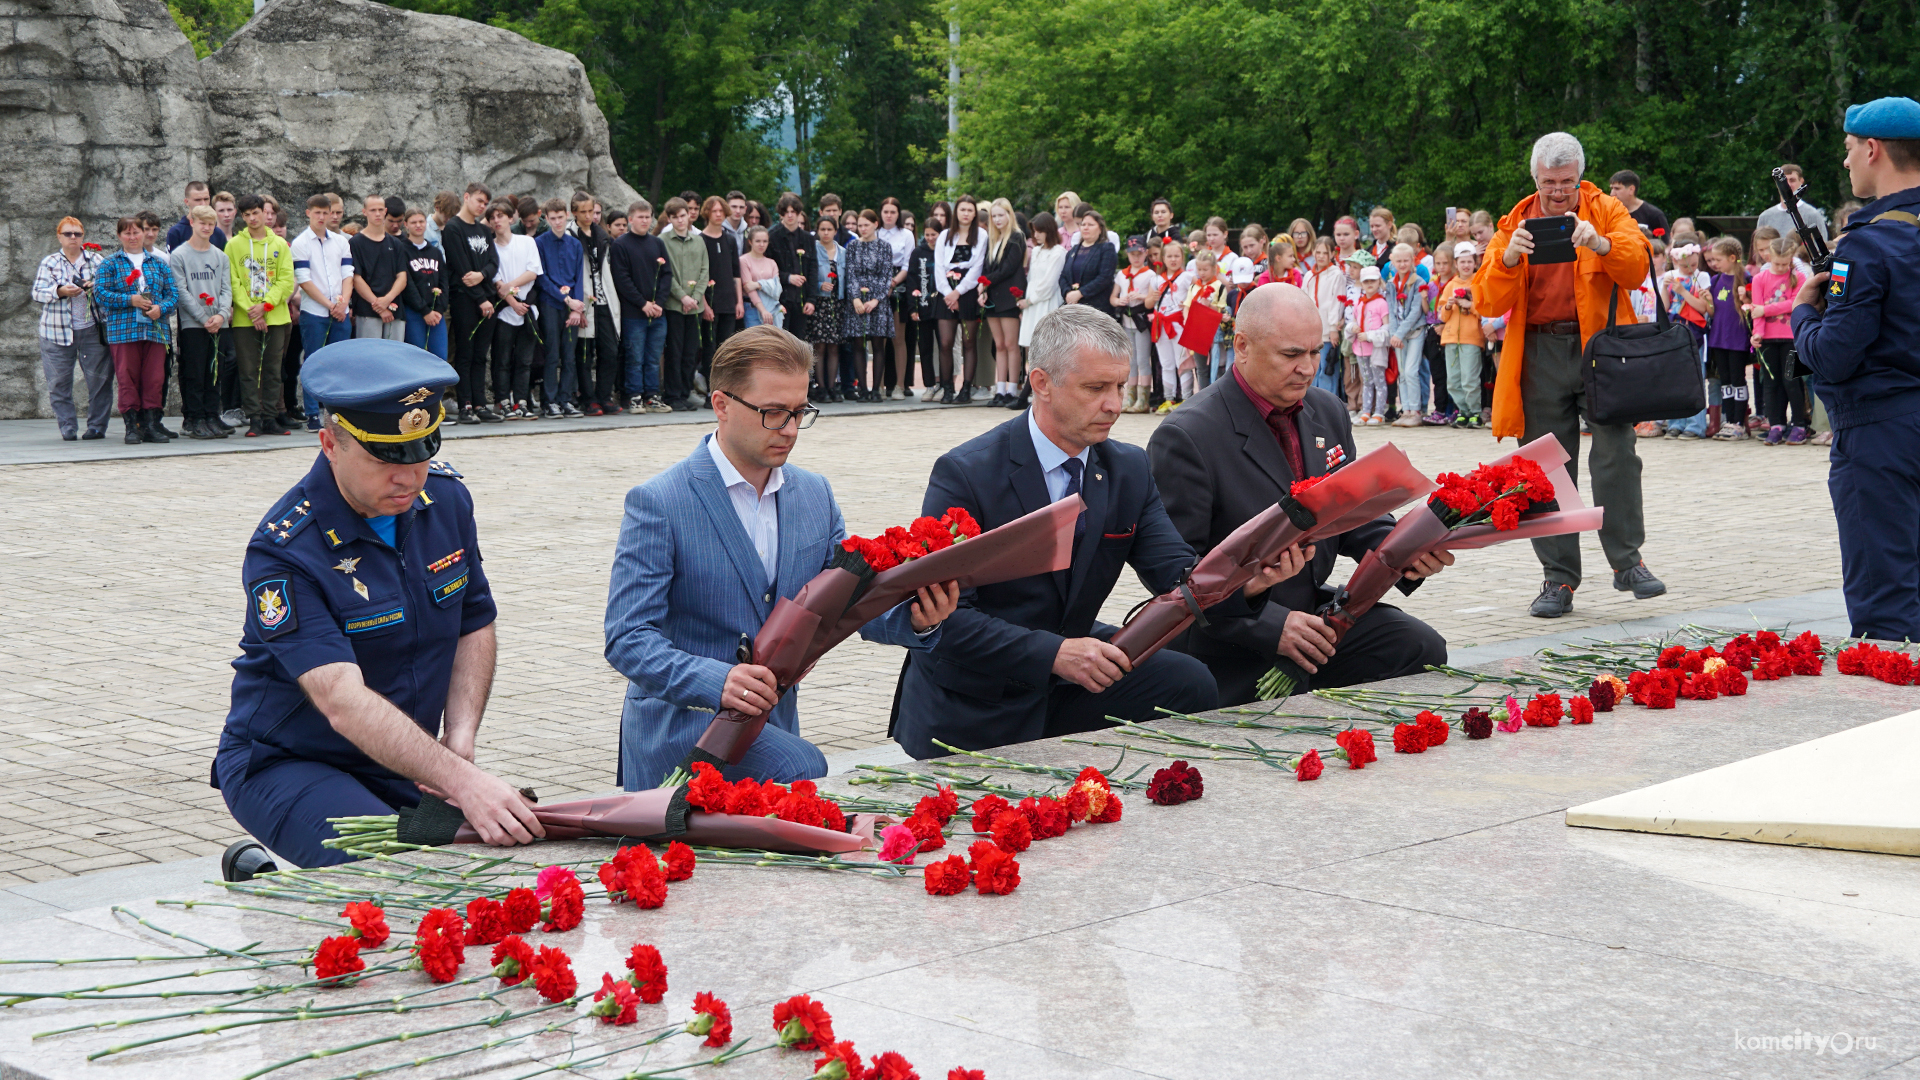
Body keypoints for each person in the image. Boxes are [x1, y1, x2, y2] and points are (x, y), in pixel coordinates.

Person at [889, 305, 1293, 757]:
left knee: (1189, 681)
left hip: (1071, 673)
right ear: (1041, 383)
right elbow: (947, 620)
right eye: (1096, 388)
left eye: (1120, 385)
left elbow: (1178, 574)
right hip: (978, 698)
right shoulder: (966, 473)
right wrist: (1055, 654)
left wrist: (1250, 581)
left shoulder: (1127, 467)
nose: (1116, 405)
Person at [212, 340, 541, 878]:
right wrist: (461, 781)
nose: (409, 478)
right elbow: (340, 700)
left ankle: (266, 885)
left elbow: (474, 620)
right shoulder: (285, 549)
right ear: (329, 444)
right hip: (292, 762)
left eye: (422, 452)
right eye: (386, 459)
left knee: (490, 865)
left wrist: (459, 738)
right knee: (401, 878)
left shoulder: (446, 500)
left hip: (403, 759)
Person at [605, 326, 957, 786]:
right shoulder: (659, 501)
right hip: (681, 727)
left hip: (770, 727)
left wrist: (916, 619)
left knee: (798, 772)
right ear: (721, 404)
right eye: (773, 413)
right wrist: (718, 681)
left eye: (799, 412)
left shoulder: (815, 495)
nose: (790, 429)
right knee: (802, 767)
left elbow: (840, 606)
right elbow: (627, 638)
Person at [1150, 284, 1450, 704]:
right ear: (1242, 346)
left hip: (1312, 614)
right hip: (1230, 634)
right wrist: (1272, 624)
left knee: (1418, 647)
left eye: (1315, 353)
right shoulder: (1186, 435)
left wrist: (1405, 552)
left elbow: (1355, 513)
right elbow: (1176, 577)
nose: (1308, 369)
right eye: (1291, 355)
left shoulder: (1327, 410)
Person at [1475, 131, 1663, 618]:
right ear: (1534, 178)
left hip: (1600, 347)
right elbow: (1486, 301)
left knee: (1617, 453)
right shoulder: (1515, 222)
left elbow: (1637, 268)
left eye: (1567, 181)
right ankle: (1558, 580)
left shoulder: (1607, 210)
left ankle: (1628, 562)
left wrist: (1600, 243)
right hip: (1539, 350)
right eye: (1548, 182)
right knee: (1544, 467)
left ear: (1580, 175)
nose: (1558, 191)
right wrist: (1509, 257)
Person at [1790, 96, 1920, 642]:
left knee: (1887, 605)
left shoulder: (1866, 246)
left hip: (1880, 431)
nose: (1846, 163)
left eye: (1848, 151)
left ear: (1873, 149)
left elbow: (1836, 354)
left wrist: (1802, 312)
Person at [95, 216, 179, 445]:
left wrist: (161, 308)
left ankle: (151, 424)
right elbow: (100, 294)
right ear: (119, 236)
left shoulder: (159, 263)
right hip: (124, 330)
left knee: (154, 378)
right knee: (127, 377)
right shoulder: (110, 264)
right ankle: (133, 425)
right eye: (127, 233)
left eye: (136, 232)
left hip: (154, 329)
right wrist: (129, 300)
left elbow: (173, 295)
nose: (132, 237)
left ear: (144, 233)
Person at [35, 217, 112, 441]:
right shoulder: (50, 262)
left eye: (77, 234)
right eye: (68, 234)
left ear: (83, 236)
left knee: (100, 380)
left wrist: (93, 286)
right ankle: (67, 426)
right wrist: (60, 291)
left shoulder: (97, 260)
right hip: (55, 332)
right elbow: (37, 293)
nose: (73, 238)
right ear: (59, 236)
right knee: (58, 382)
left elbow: (111, 287)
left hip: (92, 329)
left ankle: (97, 426)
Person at [227, 194, 296, 438]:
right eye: (246, 215)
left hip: (275, 316)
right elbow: (233, 281)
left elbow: (286, 280)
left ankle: (270, 417)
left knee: (273, 368)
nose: (252, 219)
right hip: (246, 318)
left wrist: (265, 306)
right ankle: (254, 418)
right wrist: (251, 310)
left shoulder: (279, 244)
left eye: (255, 213)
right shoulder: (234, 245)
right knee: (248, 369)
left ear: (264, 213)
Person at [291, 194, 355, 431]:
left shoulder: (341, 242)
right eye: (316, 212)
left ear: (330, 214)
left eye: (324, 212)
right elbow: (304, 281)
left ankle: (338, 412)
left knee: (339, 362)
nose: (320, 217)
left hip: (340, 310)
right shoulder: (300, 243)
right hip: (315, 311)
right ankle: (312, 413)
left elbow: (348, 274)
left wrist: (343, 303)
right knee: (314, 361)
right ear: (308, 213)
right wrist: (330, 306)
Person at [170, 205, 232, 440]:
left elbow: (227, 289)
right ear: (192, 222)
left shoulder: (220, 255)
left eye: (211, 224)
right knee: (195, 372)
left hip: (218, 323)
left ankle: (211, 415)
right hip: (194, 324)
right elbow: (182, 291)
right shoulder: (179, 255)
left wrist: (222, 314)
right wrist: (203, 317)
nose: (206, 227)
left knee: (215, 372)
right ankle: (194, 418)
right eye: (202, 223)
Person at [443, 184, 501, 424]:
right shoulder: (453, 228)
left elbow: (493, 261)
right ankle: (465, 404)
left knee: (481, 355)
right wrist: (481, 298)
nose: (482, 206)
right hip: (465, 299)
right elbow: (461, 266)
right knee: (465, 354)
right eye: (479, 200)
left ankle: (480, 403)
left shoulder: (484, 230)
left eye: (485, 203)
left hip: (487, 298)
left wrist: (483, 276)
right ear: (466, 197)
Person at [609, 198, 672, 414]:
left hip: (657, 312)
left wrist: (659, 303)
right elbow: (622, 279)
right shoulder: (621, 245)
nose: (645, 221)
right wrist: (642, 303)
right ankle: (634, 396)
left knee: (653, 357)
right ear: (630, 220)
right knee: (634, 356)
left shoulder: (657, 243)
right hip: (633, 312)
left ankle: (652, 395)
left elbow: (666, 275)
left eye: (648, 217)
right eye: (641, 217)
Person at [1747, 236, 1810, 444]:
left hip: (1792, 338)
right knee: (1771, 384)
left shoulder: (1799, 277)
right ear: (1769, 258)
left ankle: (1799, 423)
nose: (1781, 267)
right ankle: (1776, 424)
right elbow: (1756, 311)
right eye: (1777, 263)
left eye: (1785, 263)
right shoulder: (1759, 279)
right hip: (1768, 339)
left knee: (1792, 382)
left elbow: (1794, 303)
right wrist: (1757, 333)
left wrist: (1766, 309)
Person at [488, 199, 543, 419]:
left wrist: (514, 291)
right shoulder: (491, 247)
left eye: (500, 216)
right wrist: (512, 301)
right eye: (492, 217)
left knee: (524, 360)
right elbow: (496, 281)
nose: (496, 220)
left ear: (511, 218)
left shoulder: (527, 242)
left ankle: (521, 401)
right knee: (502, 359)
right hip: (505, 311)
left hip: (527, 307)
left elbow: (533, 272)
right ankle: (503, 401)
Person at [531, 198, 586, 417]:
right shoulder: (540, 243)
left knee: (569, 354)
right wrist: (566, 301)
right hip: (551, 303)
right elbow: (541, 277)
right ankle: (549, 400)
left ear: (567, 216)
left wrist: (576, 308)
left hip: (572, 305)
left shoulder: (575, 244)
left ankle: (566, 398)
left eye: (560, 217)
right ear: (546, 218)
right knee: (552, 353)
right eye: (552, 218)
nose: (557, 222)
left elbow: (580, 277)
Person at [571, 191, 622, 414]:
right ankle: (588, 397)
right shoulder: (571, 236)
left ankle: (604, 395)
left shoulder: (602, 236)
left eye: (591, 211)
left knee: (609, 351)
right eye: (583, 212)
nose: (588, 216)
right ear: (574, 213)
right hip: (583, 300)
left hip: (604, 301)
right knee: (584, 352)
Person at [933, 195, 985, 403]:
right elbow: (938, 266)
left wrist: (959, 292)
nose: (966, 214)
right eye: (962, 210)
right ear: (957, 213)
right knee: (945, 343)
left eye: (970, 210)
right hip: (946, 291)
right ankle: (947, 389)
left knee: (968, 342)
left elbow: (978, 266)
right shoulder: (945, 235)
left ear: (974, 213)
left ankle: (966, 389)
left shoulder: (981, 235)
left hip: (968, 291)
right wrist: (948, 293)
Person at [658, 197, 708, 411]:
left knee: (691, 352)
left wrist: (695, 297)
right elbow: (665, 273)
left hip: (695, 306)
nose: (680, 220)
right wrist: (683, 297)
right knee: (674, 352)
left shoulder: (699, 240)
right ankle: (672, 394)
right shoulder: (663, 241)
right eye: (675, 217)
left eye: (683, 215)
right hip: (675, 305)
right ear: (669, 218)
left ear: (689, 216)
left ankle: (686, 391)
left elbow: (705, 270)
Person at [1703, 236, 1754, 440]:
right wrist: (1708, 302)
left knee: (1737, 379)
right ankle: (1729, 419)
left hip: (1737, 337)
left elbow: (1751, 306)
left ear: (1732, 258)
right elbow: (1715, 313)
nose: (1714, 264)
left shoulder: (1746, 278)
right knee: (1725, 380)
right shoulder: (1716, 280)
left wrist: (1746, 298)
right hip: (1718, 338)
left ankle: (1739, 423)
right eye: (1712, 260)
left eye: (1718, 260)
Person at [842, 208, 896, 401]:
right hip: (856, 301)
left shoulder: (884, 247)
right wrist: (855, 298)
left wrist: (876, 299)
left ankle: (875, 390)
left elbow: (886, 275)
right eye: (860, 225)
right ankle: (862, 389)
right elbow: (850, 274)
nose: (862, 229)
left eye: (866, 225)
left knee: (878, 344)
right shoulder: (853, 246)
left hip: (878, 301)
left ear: (876, 225)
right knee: (858, 344)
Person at [978, 198, 1027, 406]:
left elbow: (1007, 268)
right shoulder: (992, 240)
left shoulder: (1016, 237)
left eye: (1001, 215)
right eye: (994, 216)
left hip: (1009, 296)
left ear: (1009, 215)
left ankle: (1012, 389)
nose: (997, 219)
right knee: (998, 344)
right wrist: (983, 288)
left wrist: (986, 282)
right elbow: (987, 268)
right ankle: (1000, 390)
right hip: (993, 297)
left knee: (1011, 344)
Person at [698, 195, 744, 404]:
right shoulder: (700, 239)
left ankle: (726, 390)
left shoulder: (730, 239)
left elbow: (736, 273)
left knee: (727, 348)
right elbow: (700, 272)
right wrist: (705, 304)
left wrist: (739, 301)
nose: (718, 215)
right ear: (707, 213)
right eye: (714, 211)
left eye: (720, 211)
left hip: (728, 301)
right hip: (709, 301)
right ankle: (710, 390)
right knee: (710, 348)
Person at [1438, 241, 1487, 427]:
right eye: (1462, 262)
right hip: (1450, 338)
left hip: (1471, 338)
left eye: (1469, 261)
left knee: (1470, 378)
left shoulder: (1479, 282)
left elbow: (1486, 311)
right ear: (1456, 264)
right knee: (1453, 380)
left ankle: (1475, 411)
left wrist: (1470, 306)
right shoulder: (1451, 284)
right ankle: (1463, 411)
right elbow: (1442, 314)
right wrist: (1449, 306)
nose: (1466, 265)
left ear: (1475, 263)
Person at [349, 195, 408, 343]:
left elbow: (402, 277)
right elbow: (356, 278)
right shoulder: (355, 242)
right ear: (364, 212)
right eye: (373, 210)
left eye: (380, 210)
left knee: (394, 356)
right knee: (370, 357)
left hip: (395, 309)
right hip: (367, 310)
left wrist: (387, 300)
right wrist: (379, 306)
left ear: (385, 211)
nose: (377, 213)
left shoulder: (396, 244)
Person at [800, 213, 847, 399]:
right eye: (822, 229)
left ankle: (832, 385)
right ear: (817, 231)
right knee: (819, 346)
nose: (826, 233)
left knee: (834, 346)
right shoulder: (812, 249)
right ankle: (820, 387)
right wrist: (820, 284)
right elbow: (809, 275)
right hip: (819, 303)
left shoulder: (842, 251)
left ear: (835, 231)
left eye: (829, 229)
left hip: (836, 303)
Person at [1384, 242, 1428, 426]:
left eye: (1405, 260)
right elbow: (1392, 311)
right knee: (1402, 373)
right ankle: (1407, 409)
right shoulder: (1391, 284)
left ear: (1412, 261)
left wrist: (1399, 335)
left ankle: (1416, 410)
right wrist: (1394, 335)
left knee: (1411, 371)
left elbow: (1415, 312)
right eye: (1398, 261)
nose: (1402, 264)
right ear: (1392, 262)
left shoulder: (1419, 282)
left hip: (1415, 331)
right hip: (1399, 336)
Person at [1113, 236, 1157, 413]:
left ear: (1145, 253)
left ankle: (1143, 399)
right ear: (1127, 255)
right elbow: (1113, 297)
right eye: (1132, 254)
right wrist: (1119, 300)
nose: (1136, 257)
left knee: (1142, 359)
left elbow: (1152, 300)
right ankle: (1129, 397)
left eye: (1139, 253)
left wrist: (1141, 297)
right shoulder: (1122, 275)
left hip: (1141, 322)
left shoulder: (1150, 274)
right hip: (1126, 321)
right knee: (1130, 360)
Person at [877, 198, 915, 398]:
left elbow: (909, 264)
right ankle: (880, 385)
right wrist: (881, 285)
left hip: (899, 286)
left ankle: (900, 385)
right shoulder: (875, 233)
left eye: (893, 211)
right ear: (881, 213)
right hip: (876, 287)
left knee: (898, 338)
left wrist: (891, 283)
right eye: (886, 211)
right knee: (879, 339)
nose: (889, 215)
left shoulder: (906, 234)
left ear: (898, 214)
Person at [400, 209, 449, 362]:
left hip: (436, 313)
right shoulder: (401, 249)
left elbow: (443, 282)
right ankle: (418, 388)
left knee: (440, 357)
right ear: (406, 225)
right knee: (417, 357)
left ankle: (438, 387)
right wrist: (424, 310)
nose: (418, 225)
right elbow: (407, 285)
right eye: (413, 222)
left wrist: (439, 309)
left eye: (421, 222)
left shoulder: (435, 252)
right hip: (415, 312)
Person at [1300, 237, 1345, 399]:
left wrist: (1334, 328)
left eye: (1325, 253)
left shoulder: (1336, 275)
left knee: (1327, 367)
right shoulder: (1309, 275)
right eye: (1317, 252)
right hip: (1310, 330)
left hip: (1327, 330)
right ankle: (1311, 402)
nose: (1320, 256)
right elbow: (1303, 300)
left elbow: (1336, 302)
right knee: (1312, 369)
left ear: (1332, 254)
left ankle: (1327, 402)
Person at [1151, 240, 1194, 412]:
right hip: (1160, 325)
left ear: (1182, 257)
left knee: (1182, 361)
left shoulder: (1187, 277)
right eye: (1169, 256)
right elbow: (1148, 302)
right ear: (1163, 258)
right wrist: (1152, 298)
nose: (1173, 259)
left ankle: (1187, 398)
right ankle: (1169, 399)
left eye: (1177, 256)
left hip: (1178, 325)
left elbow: (1199, 290)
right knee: (1166, 363)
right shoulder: (1156, 279)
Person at [1350, 265, 1391, 424]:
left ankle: (1379, 412)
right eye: (1366, 281)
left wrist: (1371, 335)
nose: (1369, 284)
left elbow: (1386, 326)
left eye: (1372, 281)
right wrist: (1352, 328)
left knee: (1379, 381)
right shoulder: (1359, 303)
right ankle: (1366, 411)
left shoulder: (1381, 303)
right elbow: (1354, 320)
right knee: (1367, 381)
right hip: (1361, 349)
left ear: (1378, 282)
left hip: (1376, 349)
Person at [1060, 206, 1117, 318]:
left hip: (1097, 309)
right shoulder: (1073, 251)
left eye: (1090, 225)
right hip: (1074, 308)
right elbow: (1063, 276)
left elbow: (1105, 277)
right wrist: (1068, 293)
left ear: (1100, 229)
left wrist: (1080, 293)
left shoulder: (1106, 249)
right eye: (1083, 224)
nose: (1086, 228)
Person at [1758, 163, 1831, 243]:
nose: (1788, 185)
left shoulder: (1812, 214)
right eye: (1784, 181)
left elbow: (1823, 246)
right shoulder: (1765, 217)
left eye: (1792, 180)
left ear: (1801, 181)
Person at [165, 180, 227, 252]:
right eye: (198, 200)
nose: (203, 204)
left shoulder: (218, 233)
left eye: (206, 199)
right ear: (187, 202)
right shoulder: (176, 232)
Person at [1607, 170, 1670, 240]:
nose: (1612, 194)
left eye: (1617, 188)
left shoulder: (1654, 214)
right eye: (1611, 188)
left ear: (1631, 189)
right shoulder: (1609, 213)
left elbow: (1665, 245)